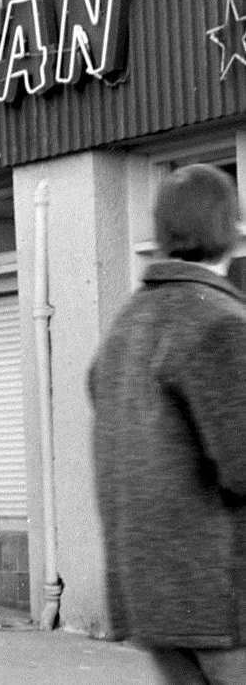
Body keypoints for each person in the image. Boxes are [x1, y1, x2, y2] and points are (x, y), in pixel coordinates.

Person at [90, 163, 246, 684]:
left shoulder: (127, 325)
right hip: (223, 596)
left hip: (151, 594)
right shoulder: (218, 323)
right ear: (231, 226)